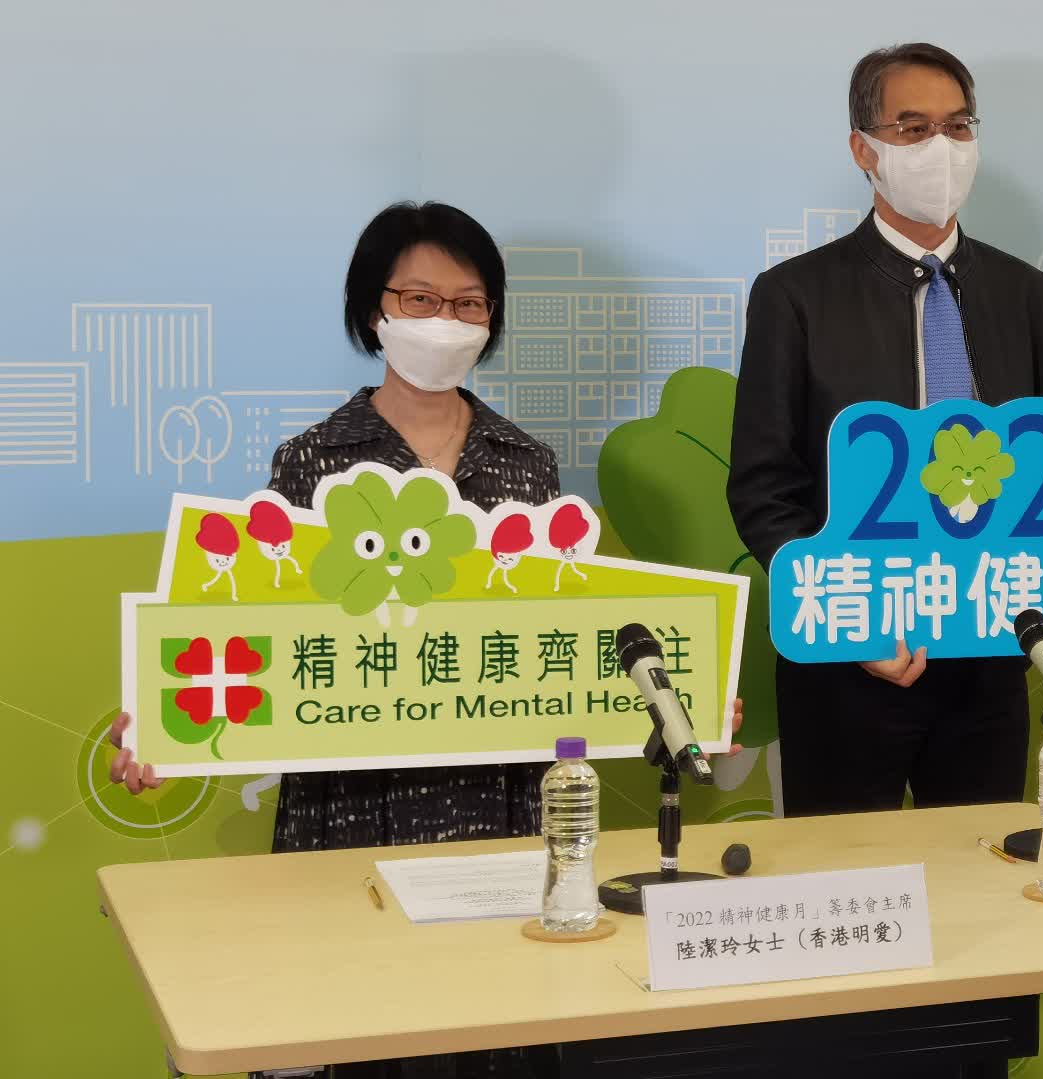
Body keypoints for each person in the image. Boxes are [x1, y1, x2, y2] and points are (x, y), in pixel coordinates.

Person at [108, 201, 741, 1079]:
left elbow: (565, 633)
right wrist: (165, 723)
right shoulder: (313, 459)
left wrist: (689, 697)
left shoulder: (527, 463)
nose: (445, 320)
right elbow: (261, 632)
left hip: (502, 803)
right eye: (419, 298)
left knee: (501, 1024)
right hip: (352, 806)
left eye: (469, 303)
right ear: (374, 309)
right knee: (358, 1022)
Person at [727, 43, 1043, 817]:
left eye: (957, 126)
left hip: (992, 660)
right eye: (912, 128)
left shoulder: (1026, 294)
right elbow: (765, 488)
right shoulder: (794, 296)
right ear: (863, 149)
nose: (941, 147)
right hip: (846, 666)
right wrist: (850, 625)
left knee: (983, 867)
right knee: (844, 877)